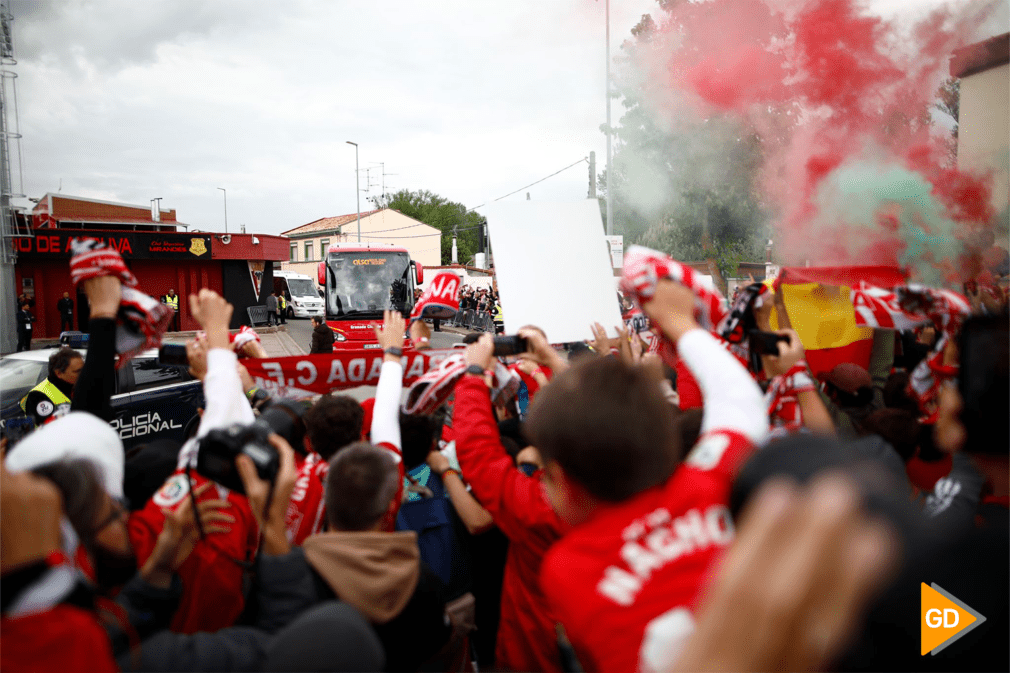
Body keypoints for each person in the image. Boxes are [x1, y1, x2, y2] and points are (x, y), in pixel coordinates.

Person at [527, 277, 769, 673]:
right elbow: (740, 404)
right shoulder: (704, 486)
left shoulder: (567, 569)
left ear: (563, 481)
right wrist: (680, 322)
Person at [20, 347, 83, 427]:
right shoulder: (38, 396)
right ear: (59, 373)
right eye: (77, 371)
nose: (83, 374)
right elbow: (53, 428)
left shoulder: (80, 388)